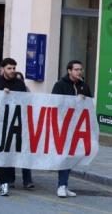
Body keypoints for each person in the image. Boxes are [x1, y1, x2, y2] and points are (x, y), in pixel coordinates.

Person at [0, 58, 27, 196]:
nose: (12, 71)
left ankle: (7, 180)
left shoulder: (19, 84)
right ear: (2, 69)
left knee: (9, 152)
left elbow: (25, 101)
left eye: (14, 68)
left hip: (14, 123)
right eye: (9, 68)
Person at [52, 60, 92, 198]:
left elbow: (89, 106)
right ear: (69, 71)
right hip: (63, 126)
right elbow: (55, 104)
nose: (79, 72)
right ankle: (61, 185)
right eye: (76, 69)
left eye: (80, 69)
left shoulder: (84, 86)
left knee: (71, 156)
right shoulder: (59, 85)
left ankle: (64, 184)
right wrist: (75, 100)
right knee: (65, 156)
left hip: (78, 127)